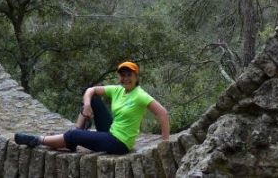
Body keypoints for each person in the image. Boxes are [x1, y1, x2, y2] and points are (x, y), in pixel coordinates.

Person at [14, 61, 170, 154]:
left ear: (136, 77)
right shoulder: (118, 90)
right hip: (111, 131)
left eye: (129, 75)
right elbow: (91, 90)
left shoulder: (140, 95)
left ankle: (39, 140)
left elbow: (162, 113)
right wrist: (88, 104)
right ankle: (76, 130)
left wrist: (164, 142)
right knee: (92, 97)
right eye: (123, 75)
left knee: (73, 136)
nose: (125, 78)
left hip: (119, 143)